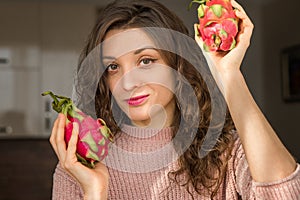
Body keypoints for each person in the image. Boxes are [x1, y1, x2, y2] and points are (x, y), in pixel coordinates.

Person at [50, 0, 300, 199]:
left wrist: (229, 74)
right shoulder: (77, 166)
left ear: (178, 64)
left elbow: (284, 194)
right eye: (113, 67)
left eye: (146, 61)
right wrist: (95, 193)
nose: (128, 82)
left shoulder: (225, 152)